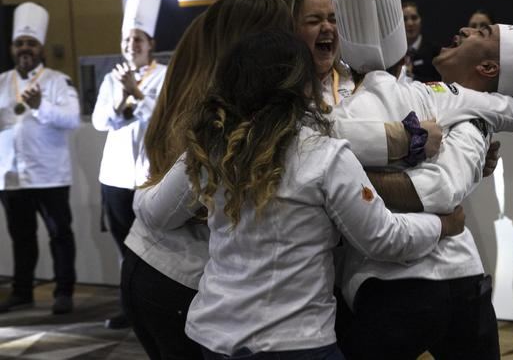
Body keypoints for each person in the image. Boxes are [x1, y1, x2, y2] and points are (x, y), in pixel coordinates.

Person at [326, 0, 513, 359]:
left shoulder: (474, 118)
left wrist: (344, 180)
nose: (467, 29)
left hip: (431, 285)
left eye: (482, 34)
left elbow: (442, 188)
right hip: (401, 281)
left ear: (488, 69)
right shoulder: (424, 92)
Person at [142, 29, 465, 359]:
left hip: (214, 338)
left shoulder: (211, 150)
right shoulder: (325, 156)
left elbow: (153, 213)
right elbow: (384, 239)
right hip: (295, 340)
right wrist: (443, 225)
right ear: (305, 86)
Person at [123, 0, 298, 359]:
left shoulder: (192, 78)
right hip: (179, 278)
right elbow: (157, 209)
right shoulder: (223, 113)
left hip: (152, 268)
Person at [91, 0, 166, 329]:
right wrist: (123, 97)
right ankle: (129, 307)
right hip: (116, 176)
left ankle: (155, 306)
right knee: (124, 248)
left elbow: (164, 119)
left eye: (137, 40)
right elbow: (100, 121)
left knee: (153, 246)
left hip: (150, 175)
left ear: (150, 43)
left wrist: (138, 94)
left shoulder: (165, 76)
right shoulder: (112, 77)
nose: (131, 46)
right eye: (126, 40)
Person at [0, 2, 80, 315]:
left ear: (41, 48)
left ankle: (64, 292)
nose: (25, 49)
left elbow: (71, 119)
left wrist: (39, 108)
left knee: (59, 235)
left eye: (31, 44)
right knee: (21, 238)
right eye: (20, 43)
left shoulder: (58, 81)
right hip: (11, 175)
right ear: (11, 48)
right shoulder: (3, 81)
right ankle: (22, 291)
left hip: (50, 175)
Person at [273, 0, 356, 104]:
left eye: (333, 20)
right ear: (287, 29)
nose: (327, 27)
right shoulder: (272, 98)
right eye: (314, 21)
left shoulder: (355, 82)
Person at [402, 1, 442, 82]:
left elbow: (441, 82)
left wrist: (413, 78)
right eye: (404, 19)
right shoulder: (394, 53)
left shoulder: (434, 51)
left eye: (414, 18)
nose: (409, 23)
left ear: (421, 20)